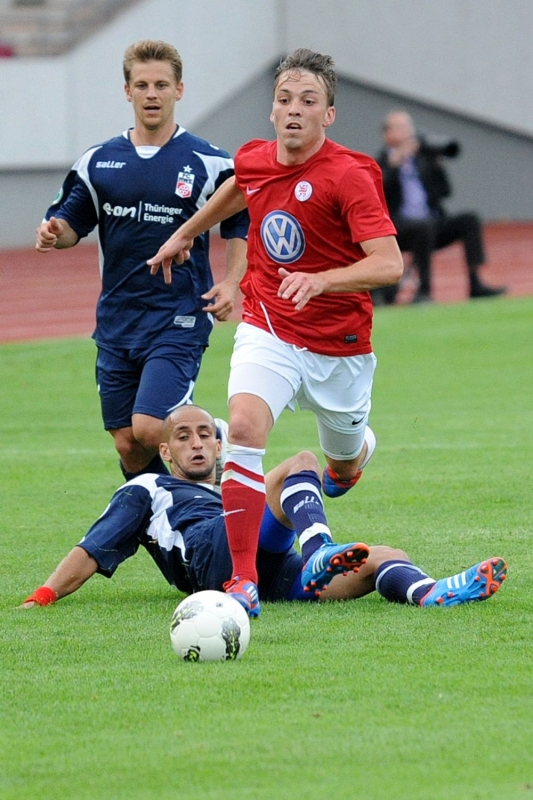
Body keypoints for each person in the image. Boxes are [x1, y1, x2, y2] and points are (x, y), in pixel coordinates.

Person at [146, 48, 404, 615]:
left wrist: (323, 280)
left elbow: (389, 264)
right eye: (285, 99)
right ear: (272, 109)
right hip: (270, 325)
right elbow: (241, 186)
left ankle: (354, 454)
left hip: (339, 347)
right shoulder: (255, 158)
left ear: (328, 114)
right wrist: (186, 233)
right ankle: (242, 579)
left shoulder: (351, 174)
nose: (294, 110)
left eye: (308, 101)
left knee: (342, 464)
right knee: (242, 427)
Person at [20, 405, 507, 612]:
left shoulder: (226, 487)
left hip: (264, 574)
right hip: (213, 556)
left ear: (219, 447)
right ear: (165, 451)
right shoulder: (148, 487)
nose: (196, 444)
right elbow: (92, 548)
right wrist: (43, 596)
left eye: (205, 435)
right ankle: (320, 549)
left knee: (384, 555)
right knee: (301, 462)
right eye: (183, 437)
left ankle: (433, 593)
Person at [35, 39, 248, 482]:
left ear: (179, 90)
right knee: (128, 444)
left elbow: (240, 224)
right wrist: (55, 233)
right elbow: (71, 224)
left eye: (162, 85)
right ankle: (168, 511)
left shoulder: (210, 162)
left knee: (151, 427)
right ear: (127, 91)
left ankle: (213, 434)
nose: (152, 94)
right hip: (117, 318)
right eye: (143, 85)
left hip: (178, 315)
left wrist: (231, 282)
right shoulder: (98, 161)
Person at [375, 110, 506, 304]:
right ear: (387, 134)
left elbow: (445, 192)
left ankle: (475, 283)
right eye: (401, 128)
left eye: (409, 127)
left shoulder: (423, 159)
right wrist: (396, 164)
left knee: (469, 220)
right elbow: (379, 192)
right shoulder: (381, 161)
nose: (408, 132)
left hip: (431, 222)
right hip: (398, 228)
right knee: (422, 226)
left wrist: (437, 166)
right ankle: (424, 291)